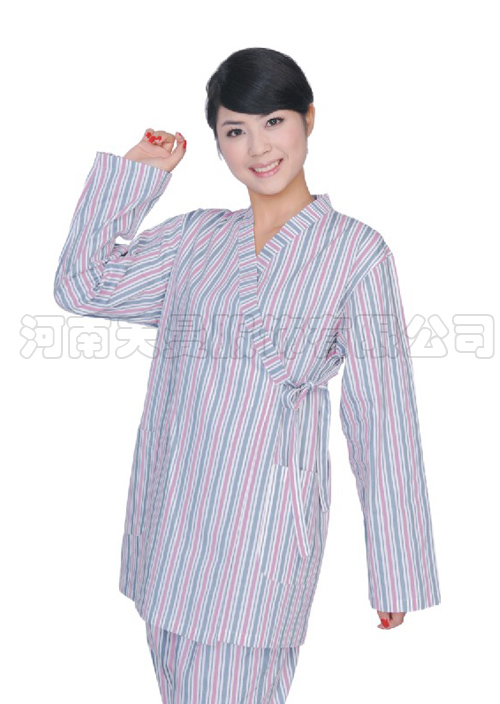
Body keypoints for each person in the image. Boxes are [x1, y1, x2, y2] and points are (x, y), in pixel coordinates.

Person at [53, 47, 441, 703]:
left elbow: (383, 419)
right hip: (170, 530)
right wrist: (136, 175)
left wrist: (395, 569)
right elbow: (82, 286)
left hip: (260, 539)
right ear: (217, 143)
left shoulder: (357, 254)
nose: (258, 147)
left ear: (309, 119)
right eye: (235, 130)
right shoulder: (195, 239)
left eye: (274, 122)